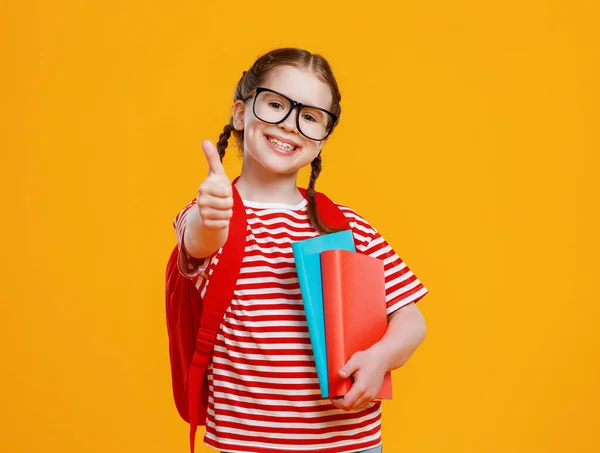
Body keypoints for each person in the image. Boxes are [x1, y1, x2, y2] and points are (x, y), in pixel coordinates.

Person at [172, 47, 429, 453]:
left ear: (323, 137)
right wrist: (212, 211)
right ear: (241, 114)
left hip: (351, 444)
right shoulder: (209, 216)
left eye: (310, 116)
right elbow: (199, 243)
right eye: (275, 104)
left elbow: (412, 321)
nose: (291, 125)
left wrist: (380, 358)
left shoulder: (345, 225)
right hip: (246, 445)